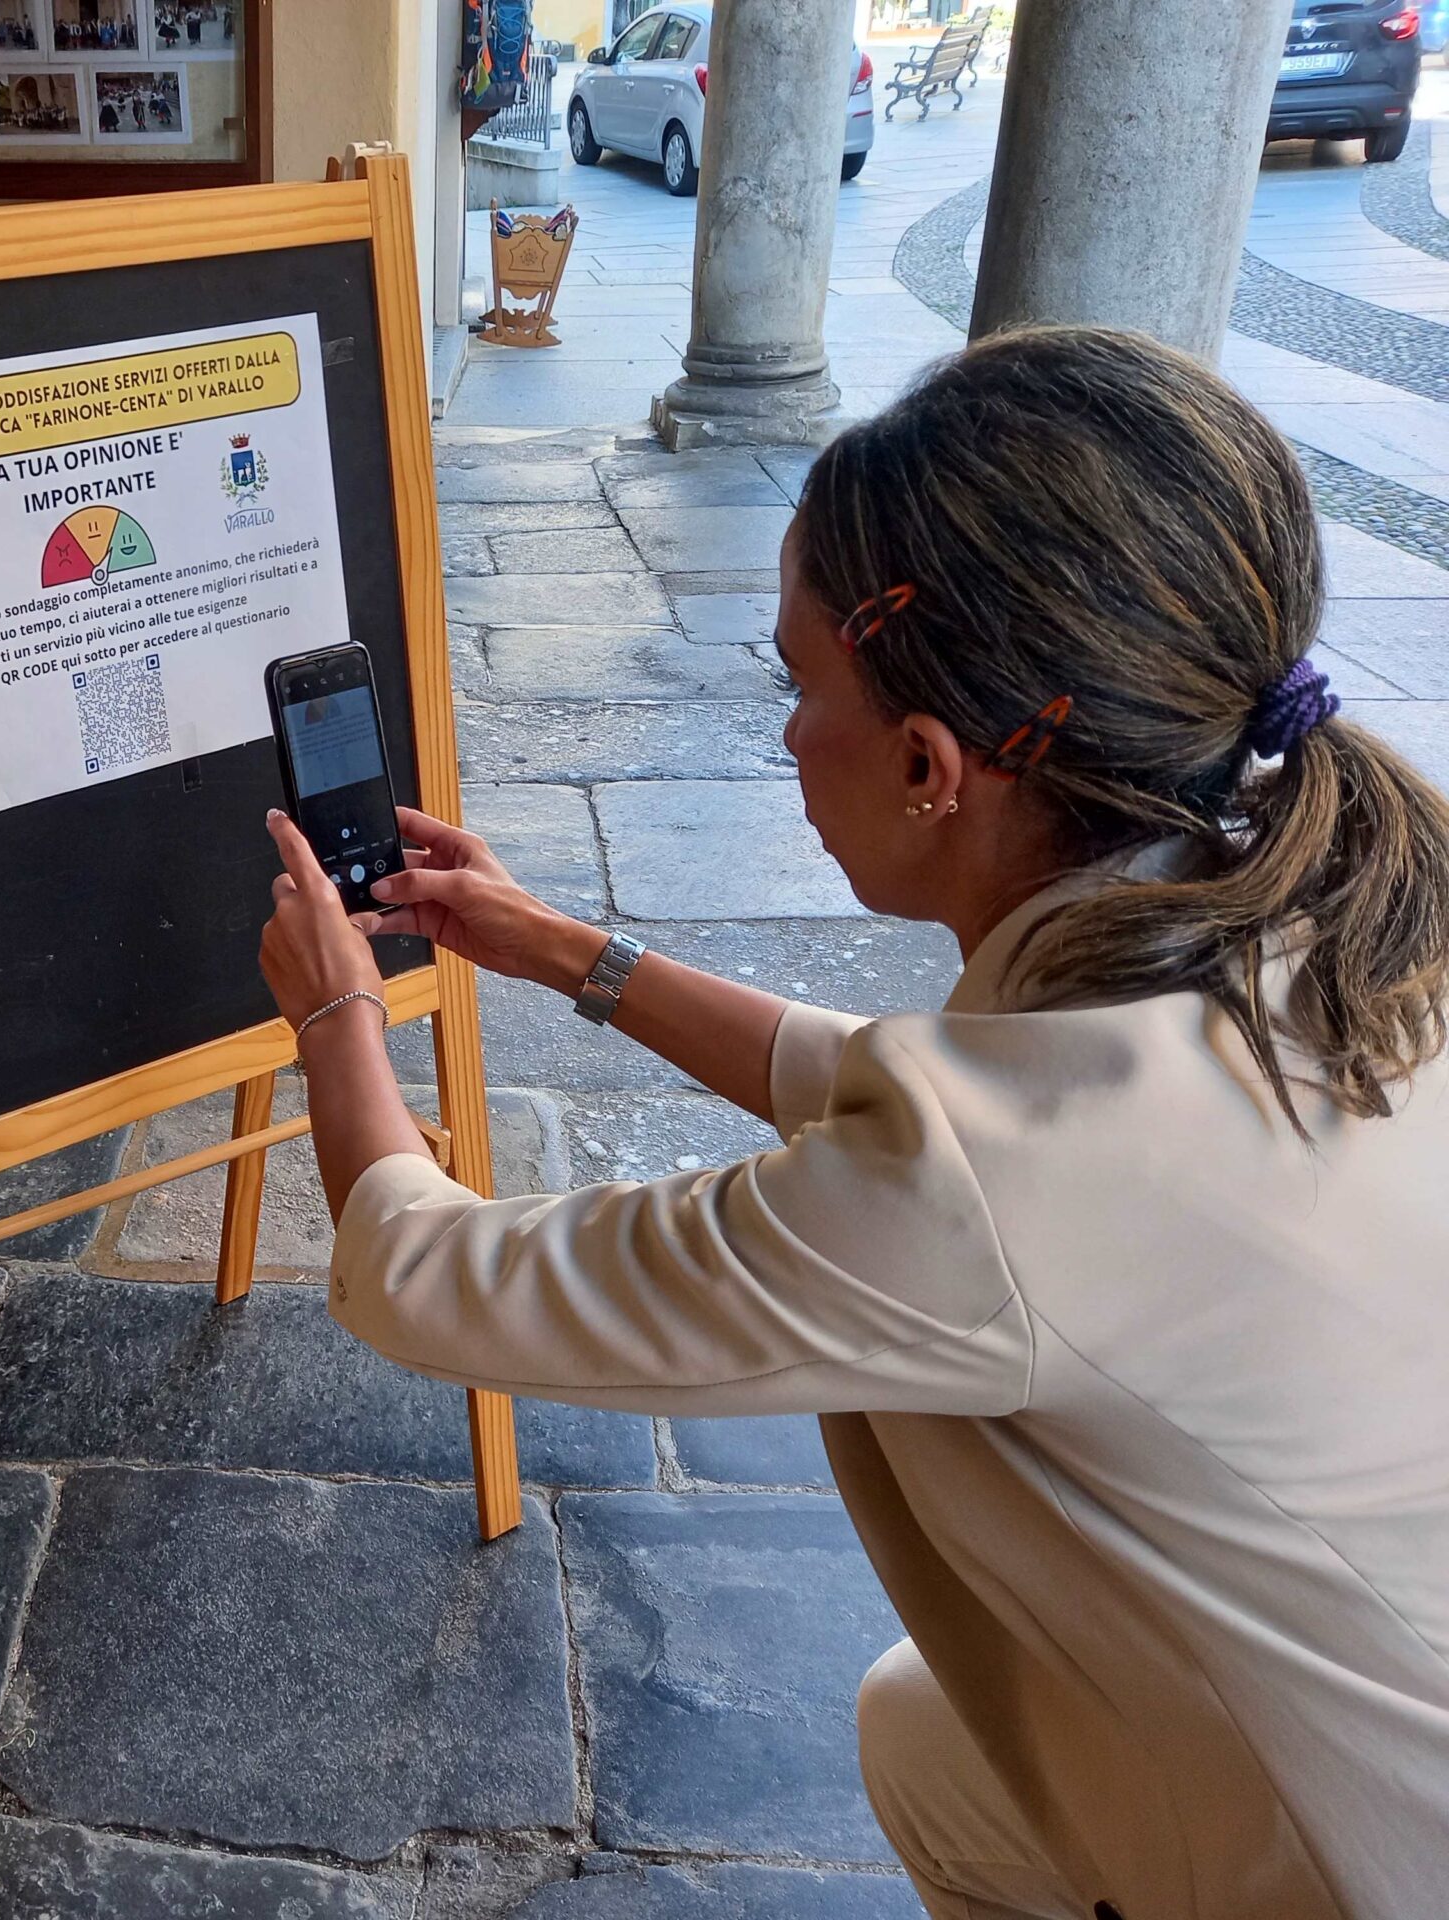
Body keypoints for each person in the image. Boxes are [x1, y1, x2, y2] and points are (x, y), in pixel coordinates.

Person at [256, 325, 1449, 1920]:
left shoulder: (1002, 1174)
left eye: (798, 681)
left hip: (1357, 1857)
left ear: (929, 764)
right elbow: (918, 1108)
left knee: (937, 1741)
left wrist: (337, 1016)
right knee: (921, 1728)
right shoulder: (1301, 909)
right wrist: (560, 950)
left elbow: (428, 1276)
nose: (785, 735)